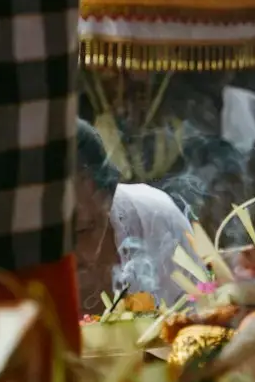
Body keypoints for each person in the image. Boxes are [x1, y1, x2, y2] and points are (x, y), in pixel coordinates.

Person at [74, 120, 193, 312]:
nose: (69, 251)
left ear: (108, 198)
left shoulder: (153, 216)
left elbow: (202, 313)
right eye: (47, 235)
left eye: (82, 230)